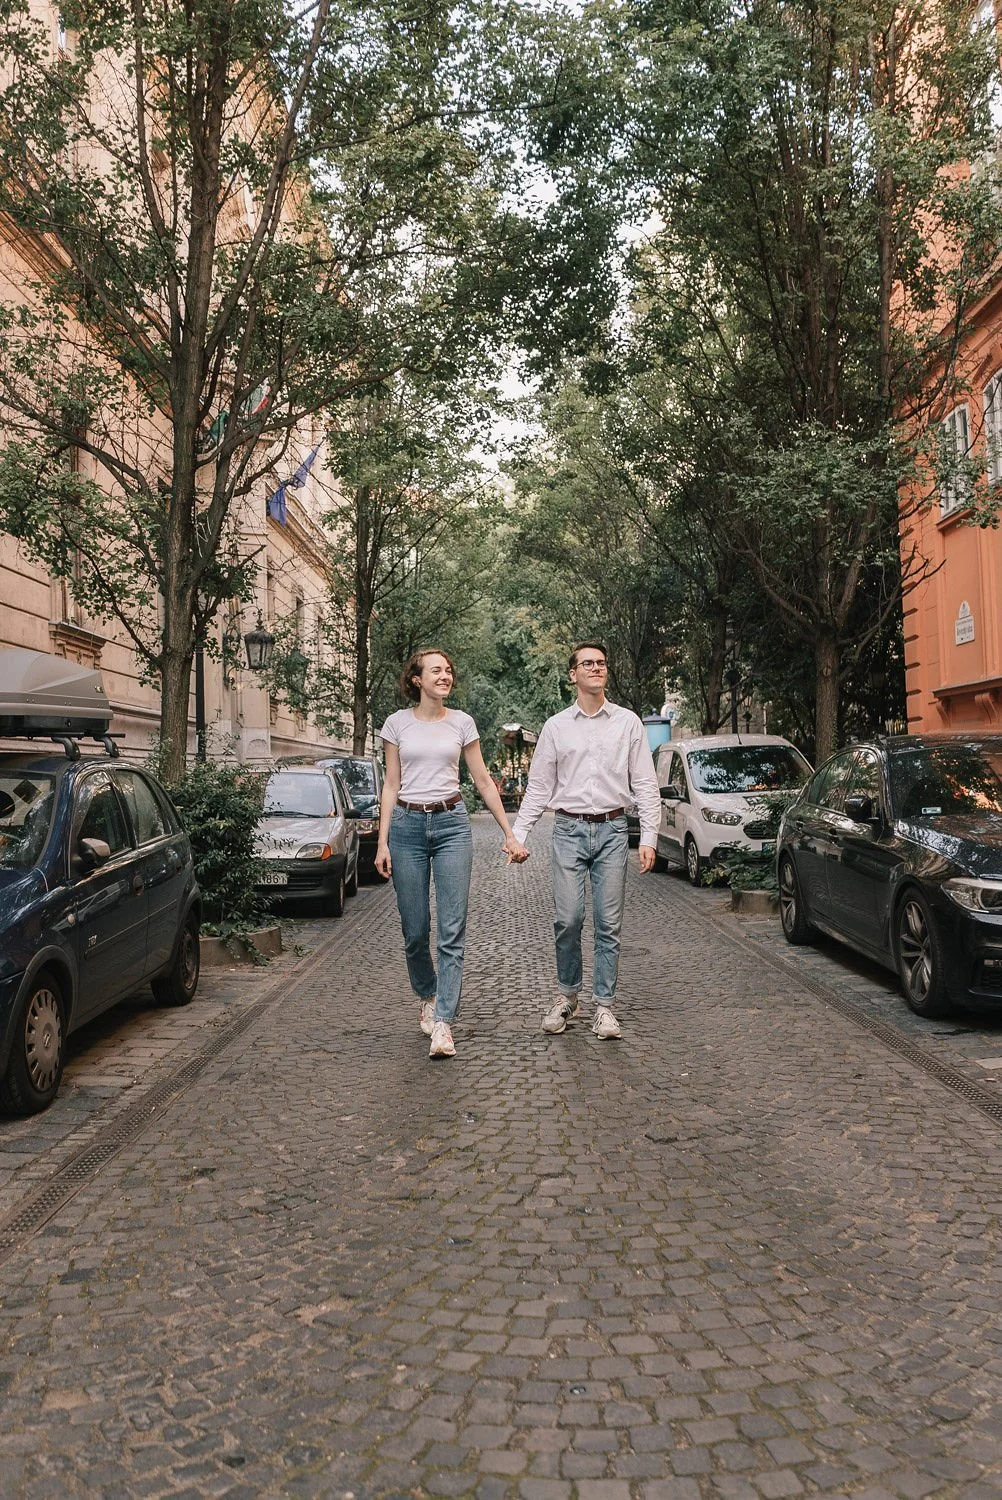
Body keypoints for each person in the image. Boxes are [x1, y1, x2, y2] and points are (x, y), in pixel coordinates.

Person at [375, 648, 528, 1059]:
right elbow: (391, 784)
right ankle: (426, 994)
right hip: (407, 827)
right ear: (416, 680)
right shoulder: (396, 725)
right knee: (415, 930)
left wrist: (510, 833)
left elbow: (481, 779)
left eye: (448, 671)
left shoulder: (462, 723)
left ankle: (443, 1021)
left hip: (451, 825)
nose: (444, 676)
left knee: (452, 930)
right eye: (435, 671)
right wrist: (382, 841)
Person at [511, 642, 661, 1040]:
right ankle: (567, 996)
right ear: (572, 674)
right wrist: (519, 833)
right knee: (569, 918)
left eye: (601, 663)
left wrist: (648, 835)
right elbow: (540, 786)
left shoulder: (628, 722)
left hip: (613, 830)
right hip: (568, 831)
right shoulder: (556, 727)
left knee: (609, 924)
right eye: (587, 663)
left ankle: (605, 1007)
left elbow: (645, 782)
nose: (596, 668)